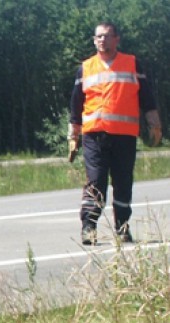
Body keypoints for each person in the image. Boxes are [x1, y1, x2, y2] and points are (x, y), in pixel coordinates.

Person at [68, 22, 161, 245]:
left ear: (116, 39)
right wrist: (73, 136)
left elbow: (147, 97)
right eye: (99, 37)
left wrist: (154, 124)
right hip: (94, 136)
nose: (103, 40)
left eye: (107, 36)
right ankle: (89, 228)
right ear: (94, 40)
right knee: (96, 181)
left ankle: (122, 228)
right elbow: (75, 104)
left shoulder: (132, 63)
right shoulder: (86, 67)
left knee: (122, 182)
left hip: (124, 135)